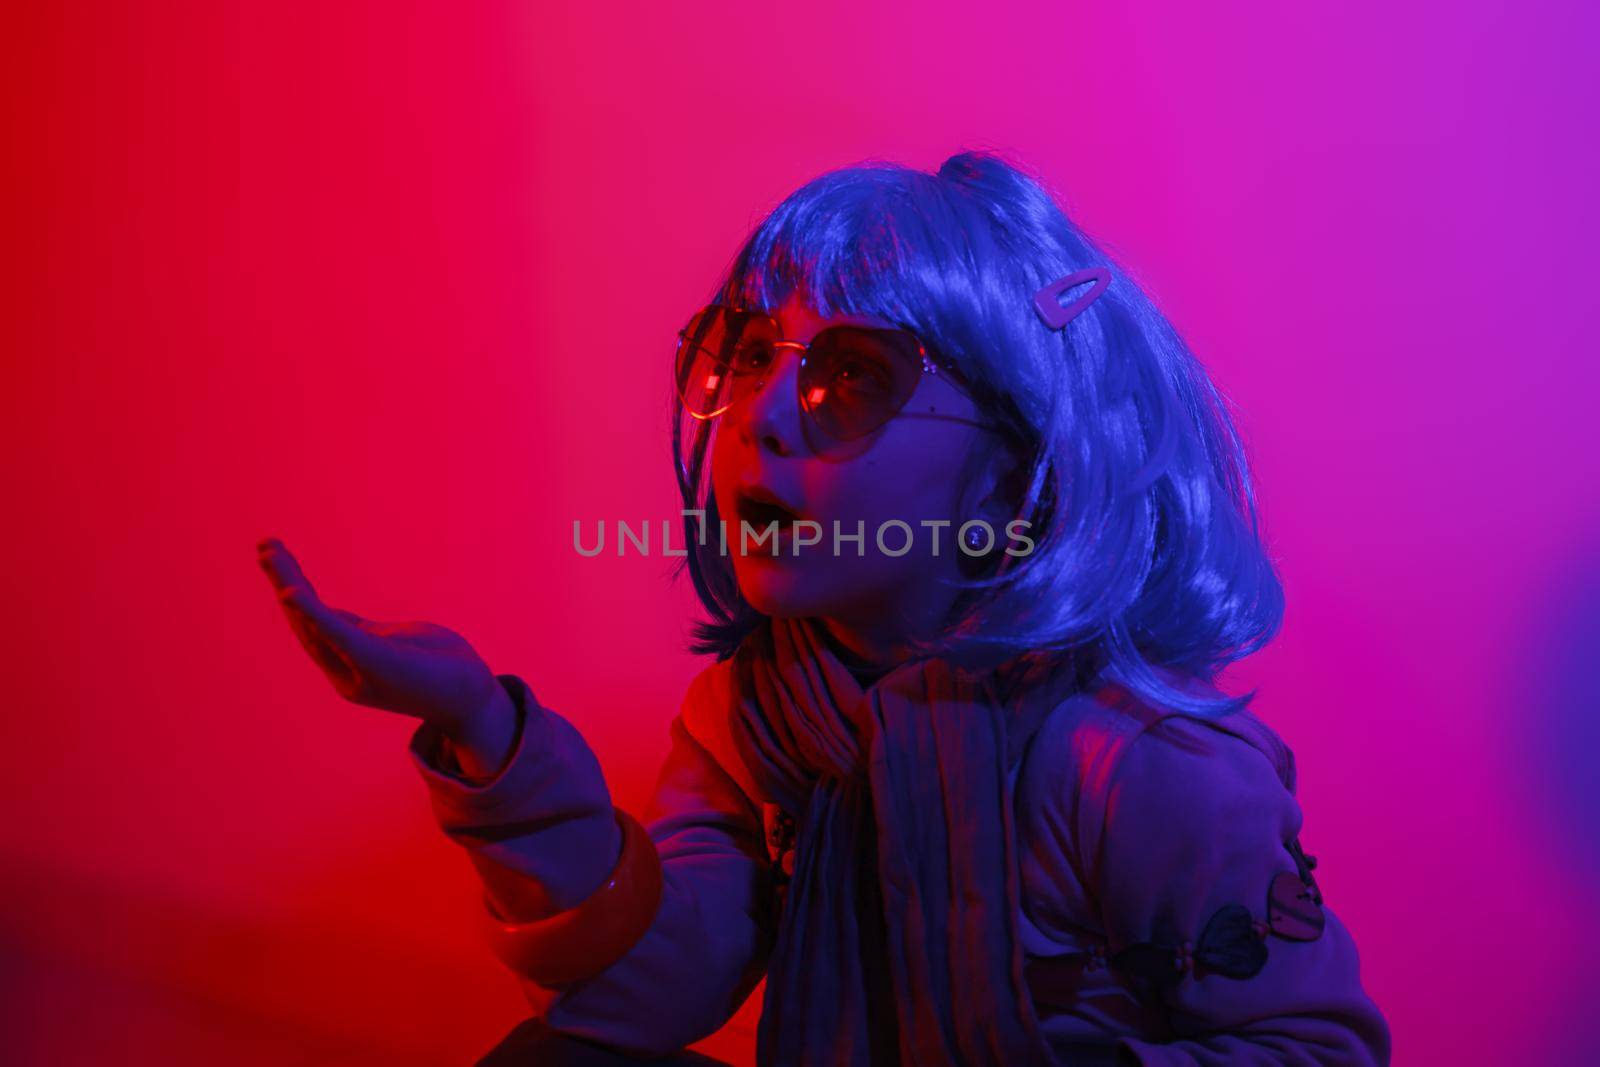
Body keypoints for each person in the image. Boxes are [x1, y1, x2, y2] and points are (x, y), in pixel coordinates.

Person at [257, 151, 1391, 1065]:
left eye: (851, 377)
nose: (761, 417)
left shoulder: (1139, 763)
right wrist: (488, 736)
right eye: (748, 355)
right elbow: (651, 984)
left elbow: (1314, 1045)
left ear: (1011, 470)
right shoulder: (757, 716)